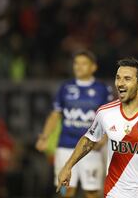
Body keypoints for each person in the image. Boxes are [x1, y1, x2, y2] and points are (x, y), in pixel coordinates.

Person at [57, 57, 138, 198]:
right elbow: (89, 140)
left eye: (127, 79)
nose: (120, 84)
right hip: (115, 192)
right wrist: (68, 166)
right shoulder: (105, 112)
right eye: (118, 78)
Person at [36, 50, 113, 198]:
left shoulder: (102, 89)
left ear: (93, 67)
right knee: (66, 189)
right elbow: (55, 115)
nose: (78, 67)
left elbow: (109, 119)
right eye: (76, 63)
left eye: (83, 63)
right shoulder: (65, 88)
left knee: (91, 192)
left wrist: (103, 139)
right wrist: (44, 136)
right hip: (66, 145)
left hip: (90, 147)